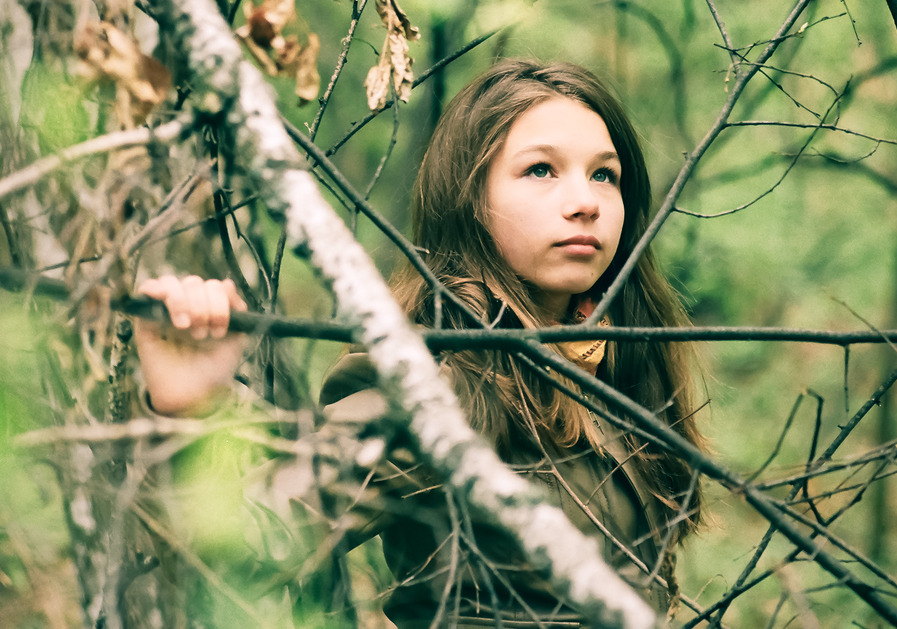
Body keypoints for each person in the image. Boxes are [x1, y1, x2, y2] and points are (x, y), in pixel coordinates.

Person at [134, 59, 706, 627]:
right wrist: (191, 414)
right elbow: (251, 541)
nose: (586, 201)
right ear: (469, 199)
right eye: (540, 170)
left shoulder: (608, 359)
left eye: (604, 174)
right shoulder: (443, 375)